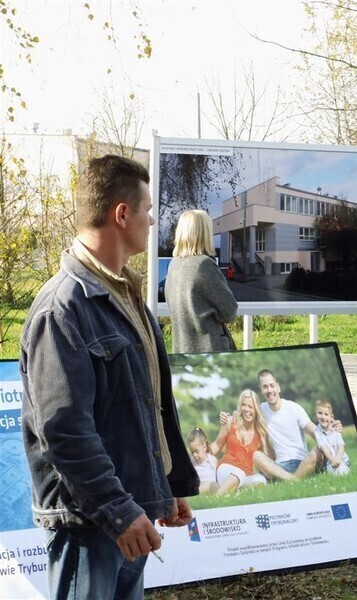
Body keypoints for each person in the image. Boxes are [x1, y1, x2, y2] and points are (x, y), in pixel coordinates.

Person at [19, 154, 199, 599]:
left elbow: (143, 403)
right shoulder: (63, 309)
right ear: (122, 214)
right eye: (147, 209)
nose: (153, 219)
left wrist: (164, 486)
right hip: (90, 523)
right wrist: (118, 510)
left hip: (128, 513)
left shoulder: (125, 292)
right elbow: (65, 431)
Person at [165, 209, 238, 353]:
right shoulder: (204, 264)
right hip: (210, 354)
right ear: (204, 233)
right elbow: (229, 312)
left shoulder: (174, 265)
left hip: (182, 350)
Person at [211, 389, 285, 493]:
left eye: (250, 406)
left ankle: (236, 493)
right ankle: (218, 497)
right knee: (239, 473)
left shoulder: (260, 431)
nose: (247, 409)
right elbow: (217, 445)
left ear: (256, 409)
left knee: (261, 480)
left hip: (246, 475)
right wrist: (200, 454)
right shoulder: (230, 422)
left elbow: (271, 461)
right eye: (244, 405)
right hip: (226, 470)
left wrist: (265, 441)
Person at [314, 399, 351, 475]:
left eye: (326, 414)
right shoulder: (317, 431)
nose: (323, 417)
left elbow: (341, 446)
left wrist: (337, 459)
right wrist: (332, 460)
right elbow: (323, 448)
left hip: (341, 459)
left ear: (331, 417)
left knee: (341, 471)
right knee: (333, 472)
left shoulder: (335, 427)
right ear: (316, 414)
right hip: (330, 462)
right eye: (320, 413)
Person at [187, 427, 219, 494]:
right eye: (192, 452)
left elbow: (217, 477)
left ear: (204, 447)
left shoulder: (212, 460)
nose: (195, 455)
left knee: (213, 485)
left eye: (197, 451)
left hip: (211, 486)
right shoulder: (191, 463)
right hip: (198, 488)